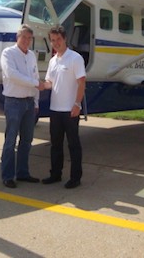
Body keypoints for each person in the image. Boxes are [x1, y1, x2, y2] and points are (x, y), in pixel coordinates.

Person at [42, 25, 86, 189]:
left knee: (73, 145)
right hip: (55, 110)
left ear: (65, 39)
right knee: (55, 144)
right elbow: (49, 83)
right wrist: (38, 85)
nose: (55, 43)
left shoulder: (75, 58)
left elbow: (81, 82)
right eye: (52, 40)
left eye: (58, 39)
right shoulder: (53, 60)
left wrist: (77, 103)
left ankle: (75, 178)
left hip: (70, 110)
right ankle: (55, 174)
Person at [0, 24, 44, 188]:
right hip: (14, 102)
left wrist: (36, 101)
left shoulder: (31, 55)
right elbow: (12, 75)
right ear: (17, 38)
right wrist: (35, 84)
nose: (26, 41)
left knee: (27, 140)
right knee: (10, 140)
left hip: (29, 102)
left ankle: (23, 173)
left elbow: (36, 76)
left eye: (29, 38)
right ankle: (7, 176)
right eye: (24, 37)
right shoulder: (8, 54)